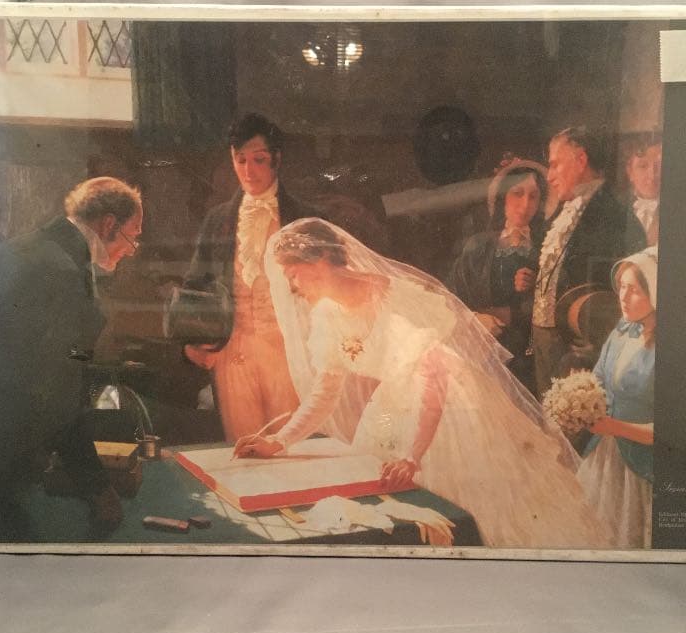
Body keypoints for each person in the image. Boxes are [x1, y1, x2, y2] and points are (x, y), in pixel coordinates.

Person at [233, 218, 613, 549]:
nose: (292, 286)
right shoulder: (327, 316)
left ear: (318, 262)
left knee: (470, 509)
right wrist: (279, 441)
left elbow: (434, 374)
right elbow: (324, 393)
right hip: (394, 406)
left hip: (449, 405)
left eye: (293, 274)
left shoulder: (395, 296)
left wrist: (414, 455)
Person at [0, 176, 143, 542]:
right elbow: (56, 398)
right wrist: (98, 488)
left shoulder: (22, 248)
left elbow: (49, 354)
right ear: (108, 224)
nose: (131, 250)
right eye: (132, 237)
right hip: (4, 458)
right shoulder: (63, 272)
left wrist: (83, 356)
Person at [182, 113, 317, 442]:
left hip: (288, 353)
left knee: (292, 448)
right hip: (234, 354)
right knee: (243, 447)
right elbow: (195, 285)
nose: (248, 170)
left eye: (258, 160)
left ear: (276, 160)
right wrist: (192, 342)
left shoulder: (306, 217)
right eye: (240, 160)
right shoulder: (218, 220)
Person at [532, 126, 626, 396]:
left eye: (555, 165)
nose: (549, 176)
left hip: (577, 346)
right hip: (544, 338)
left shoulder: (611, 213)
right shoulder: (565, 207)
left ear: (581, 160)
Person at [577, 247, 657, 548]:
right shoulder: (622, 332)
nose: (623, 297)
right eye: (622, 287)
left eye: (634, 290)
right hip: (604, 458)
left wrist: (613, 427)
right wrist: (576, 403)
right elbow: (597, 380)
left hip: (641, 469)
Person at [448, 158, 548, 392]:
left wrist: (535, 288)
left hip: (527, 359)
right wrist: (475, 317)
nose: (525, 205)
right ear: (503, 197)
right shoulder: (479, 245)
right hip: (482, 351)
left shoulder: (545, 247)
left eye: (533, 197)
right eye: (517, 194)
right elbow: (450, 295)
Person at [623, 135, 661, 253]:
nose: (652, 175)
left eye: (660, 166)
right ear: (630, 172)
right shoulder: (618, 208)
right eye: (643, 166)